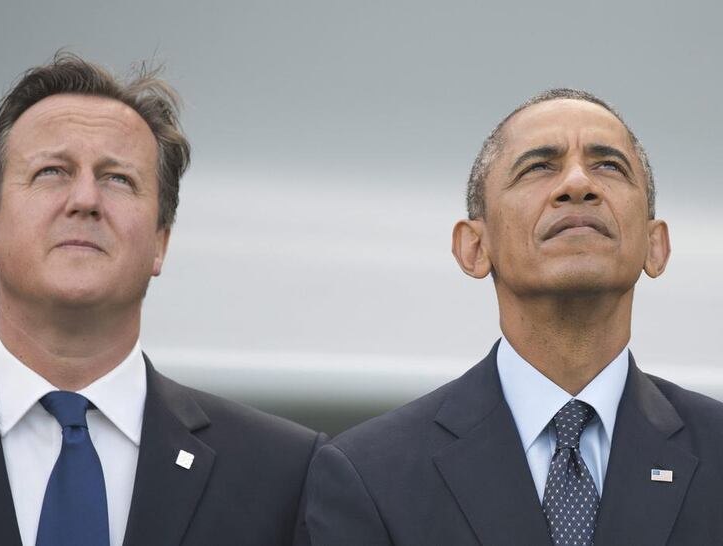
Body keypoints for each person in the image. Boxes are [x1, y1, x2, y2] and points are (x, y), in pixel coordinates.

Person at [0, 52, 323, 546]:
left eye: (118, 179)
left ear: (160, 243)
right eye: (52, 171)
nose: (86, 199)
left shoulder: (282, 472)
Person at [305, 89, 723, 545]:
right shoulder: (370, 474)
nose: (578, 184)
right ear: (474, 247)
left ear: (655, 246)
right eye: (539, 167)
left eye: (609, 166)